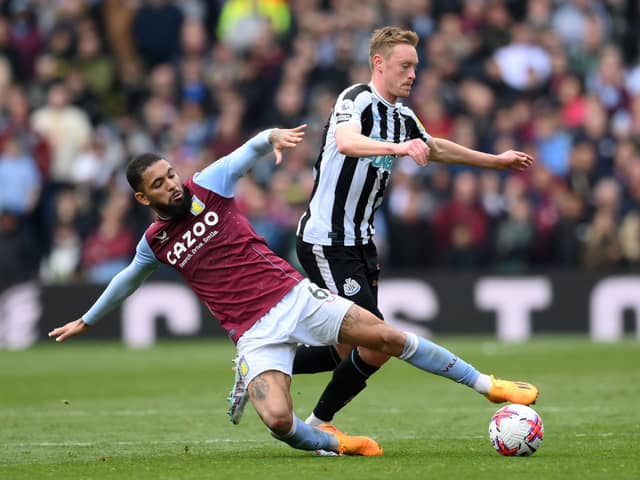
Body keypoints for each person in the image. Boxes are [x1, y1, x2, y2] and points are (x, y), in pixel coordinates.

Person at [49, 124, 539, 456]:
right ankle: (335, 443)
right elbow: (124, 281)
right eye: (159, 184)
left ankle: (487, 384)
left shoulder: (207, 186)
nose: (172, 186)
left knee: (383, 338)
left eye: (170, 174)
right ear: (143, 197)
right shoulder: (154, 243)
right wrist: (87, 319)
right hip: (252, 333)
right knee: (279, 424)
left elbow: (248, 151)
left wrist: (273, 138)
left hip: (294, 296)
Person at [259, 26, 535, 430]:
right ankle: (318, 422)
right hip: (326, 240)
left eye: (415, 67)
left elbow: (435, 147)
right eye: (405, 66)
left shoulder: (402, 116)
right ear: (379, 63)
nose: (412, 74)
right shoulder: (355, 100)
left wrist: (495, 161)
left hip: (361, 244)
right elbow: (347, 141)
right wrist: (398, 148)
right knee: (377, 342)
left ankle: (263, 364)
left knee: (348, 347)